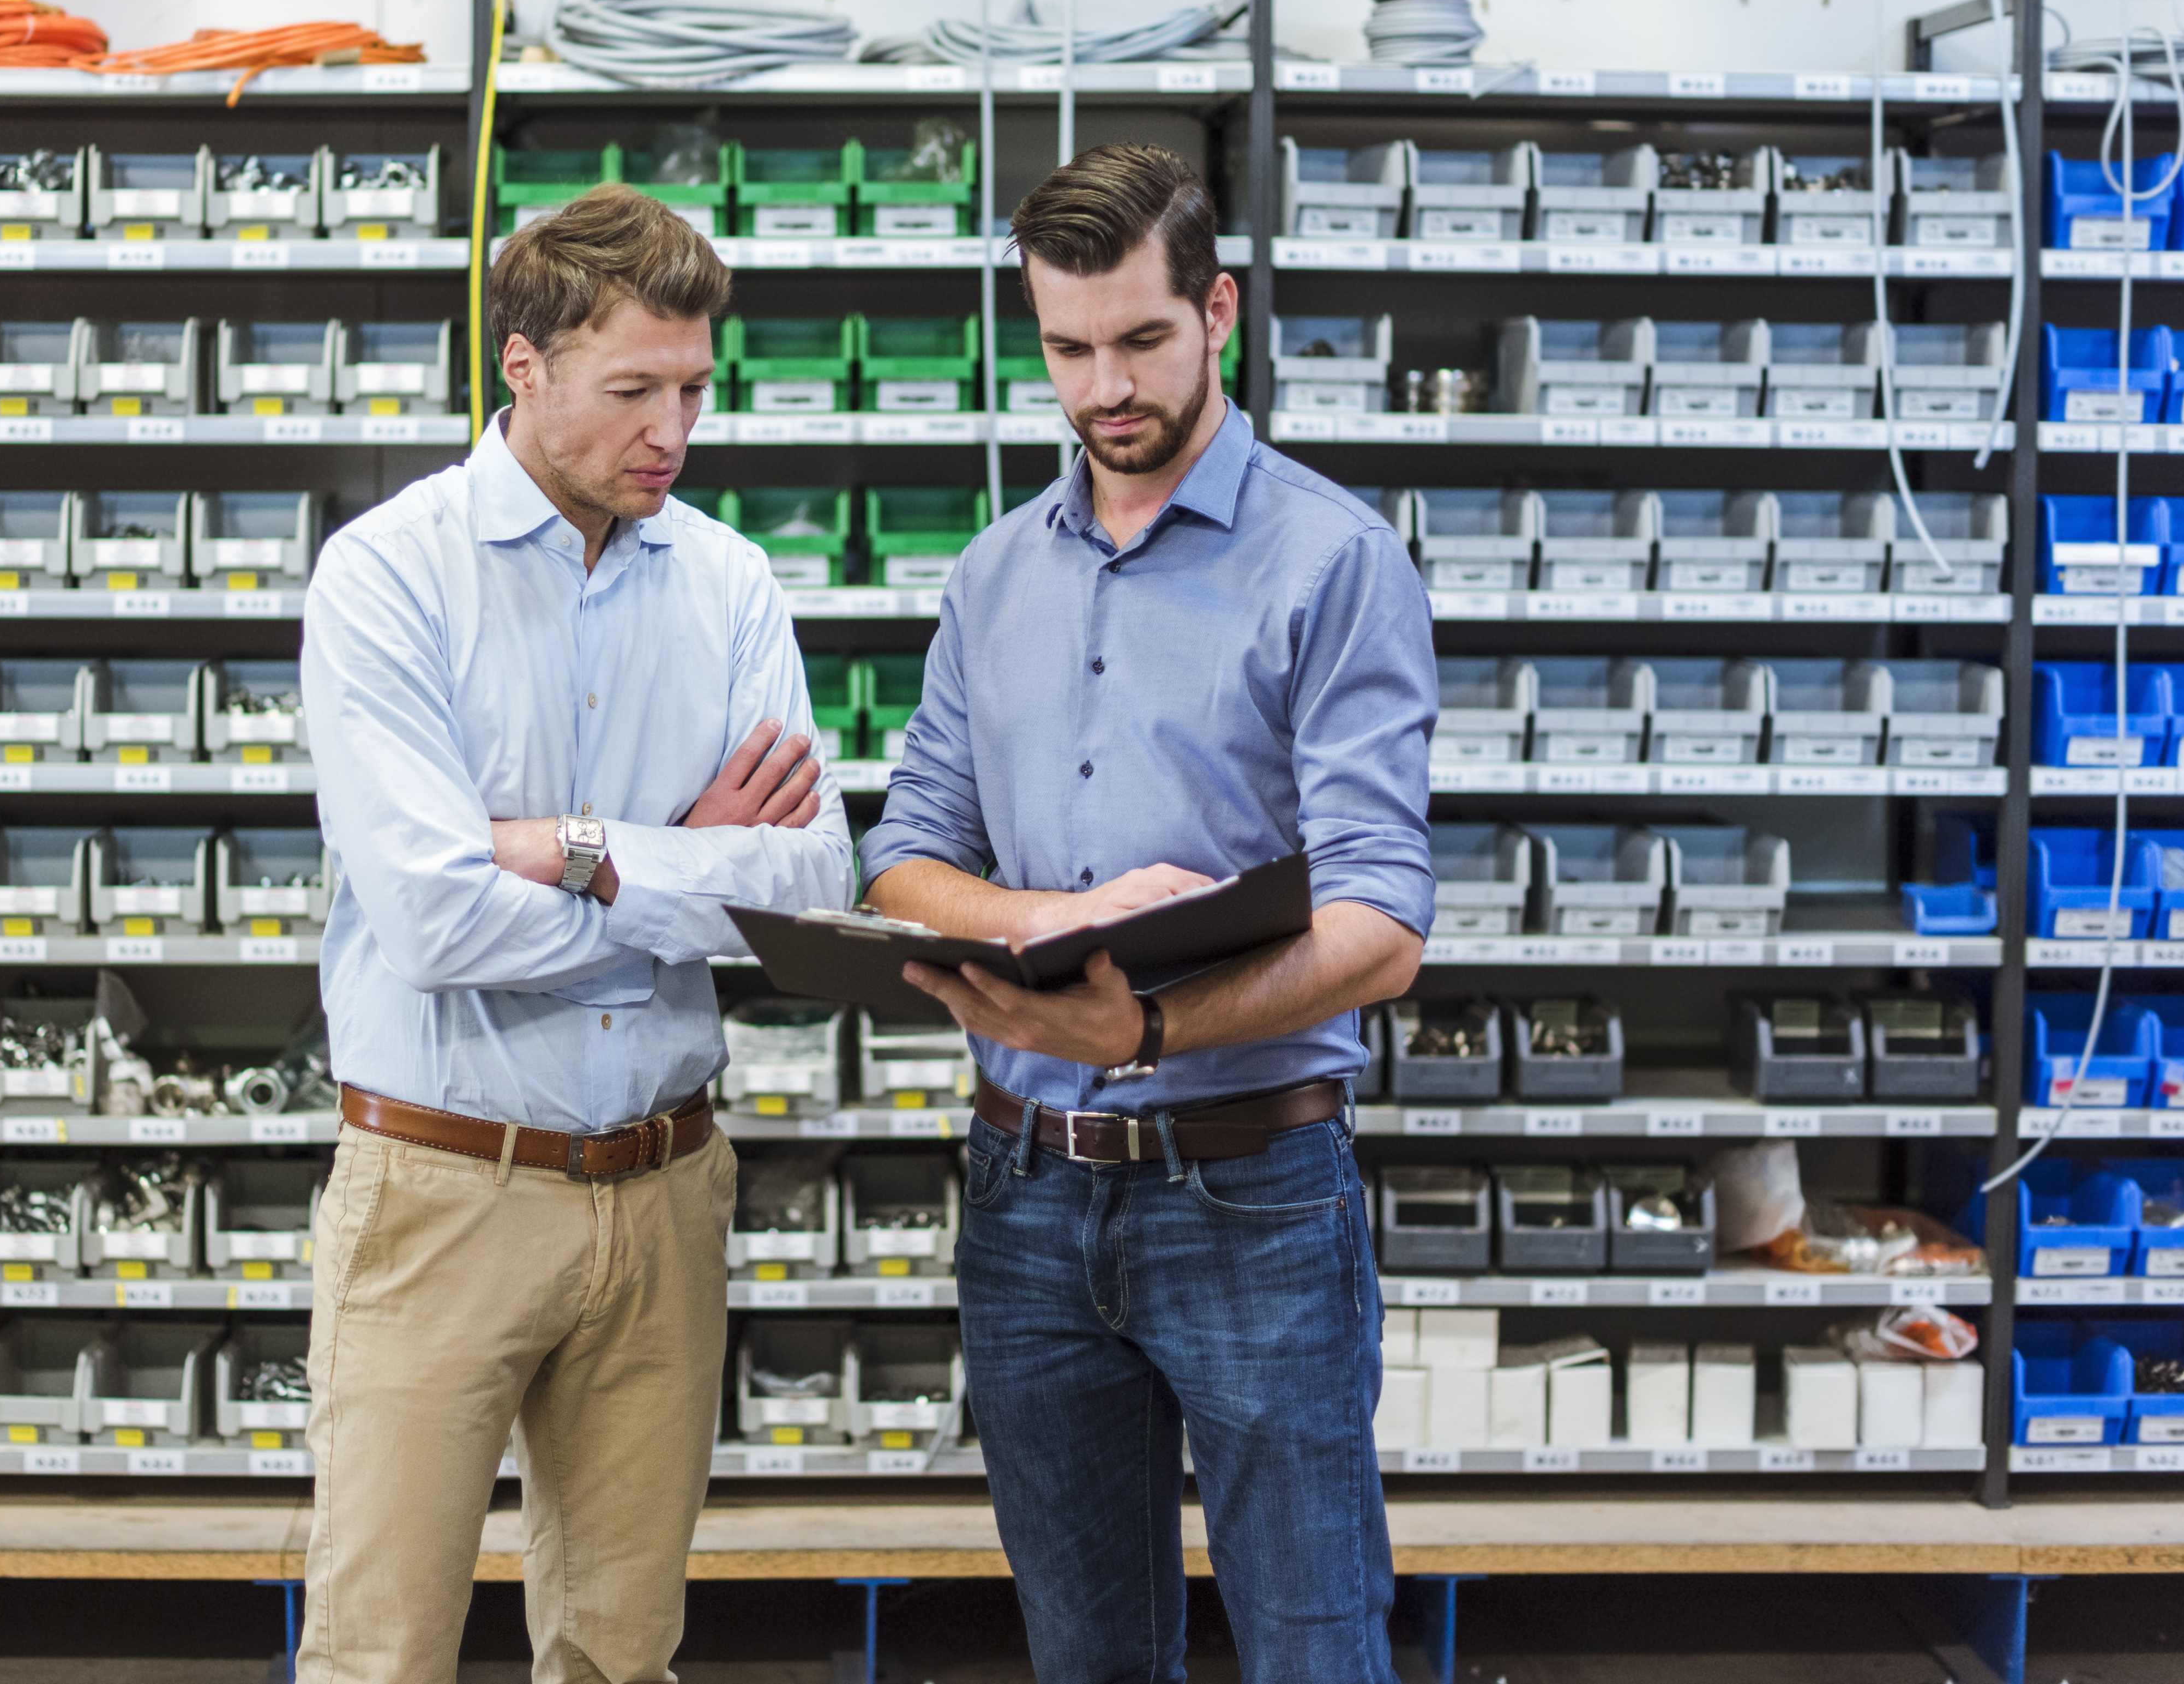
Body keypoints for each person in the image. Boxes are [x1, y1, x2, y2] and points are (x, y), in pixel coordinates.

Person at [856, 143, 1436, 1684]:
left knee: (1314, 1649)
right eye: (1065, 346)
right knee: (1087, 1655)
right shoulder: (991, 579)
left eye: (1140, 339)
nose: (1103, 385)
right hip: (1027, 1195)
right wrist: (1058, 913)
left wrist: (1156, 1022)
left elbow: (1383, 919)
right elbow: (902, 857)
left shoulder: (1334, 561)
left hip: (1254, 1189)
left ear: (1219, 312)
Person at [297, 183, 857, 1684]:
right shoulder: (391, 576)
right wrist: (692, 880)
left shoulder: (730, 580)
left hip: (666, 1189)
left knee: (622, 1653)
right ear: (523, 363)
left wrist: (587, 849)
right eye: (634, 390)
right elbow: (429, 915)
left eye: (693, 388)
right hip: (441, 1189)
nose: (672, 430)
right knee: (380, 1652)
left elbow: (810, 884)